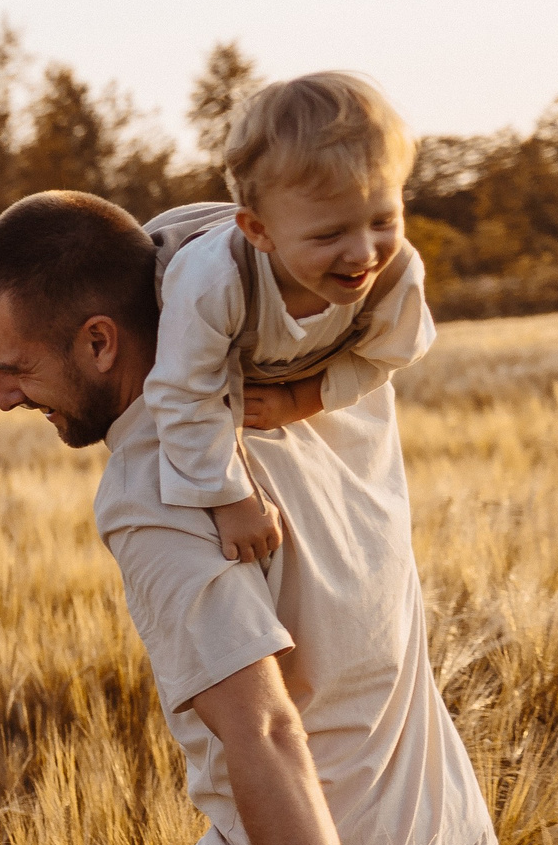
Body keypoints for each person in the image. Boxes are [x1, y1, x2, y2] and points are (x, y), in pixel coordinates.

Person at [0, 190, 500, 845]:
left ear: (100, 342)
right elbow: (237, 220)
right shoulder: (322, 352)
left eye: (15, 366)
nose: (2, 395)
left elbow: (265, 730)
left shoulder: (151, 492)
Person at [145, 73, 435, 570]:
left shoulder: (396, 276)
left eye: (383, 221)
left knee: (361, 540)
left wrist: (300, 400)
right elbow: (182, 392)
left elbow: (383, 359)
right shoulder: (215, 281)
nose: (364, 252)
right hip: (173, 334)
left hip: (298, 365)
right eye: (329, 235)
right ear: (259, 230)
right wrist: (231, 499)